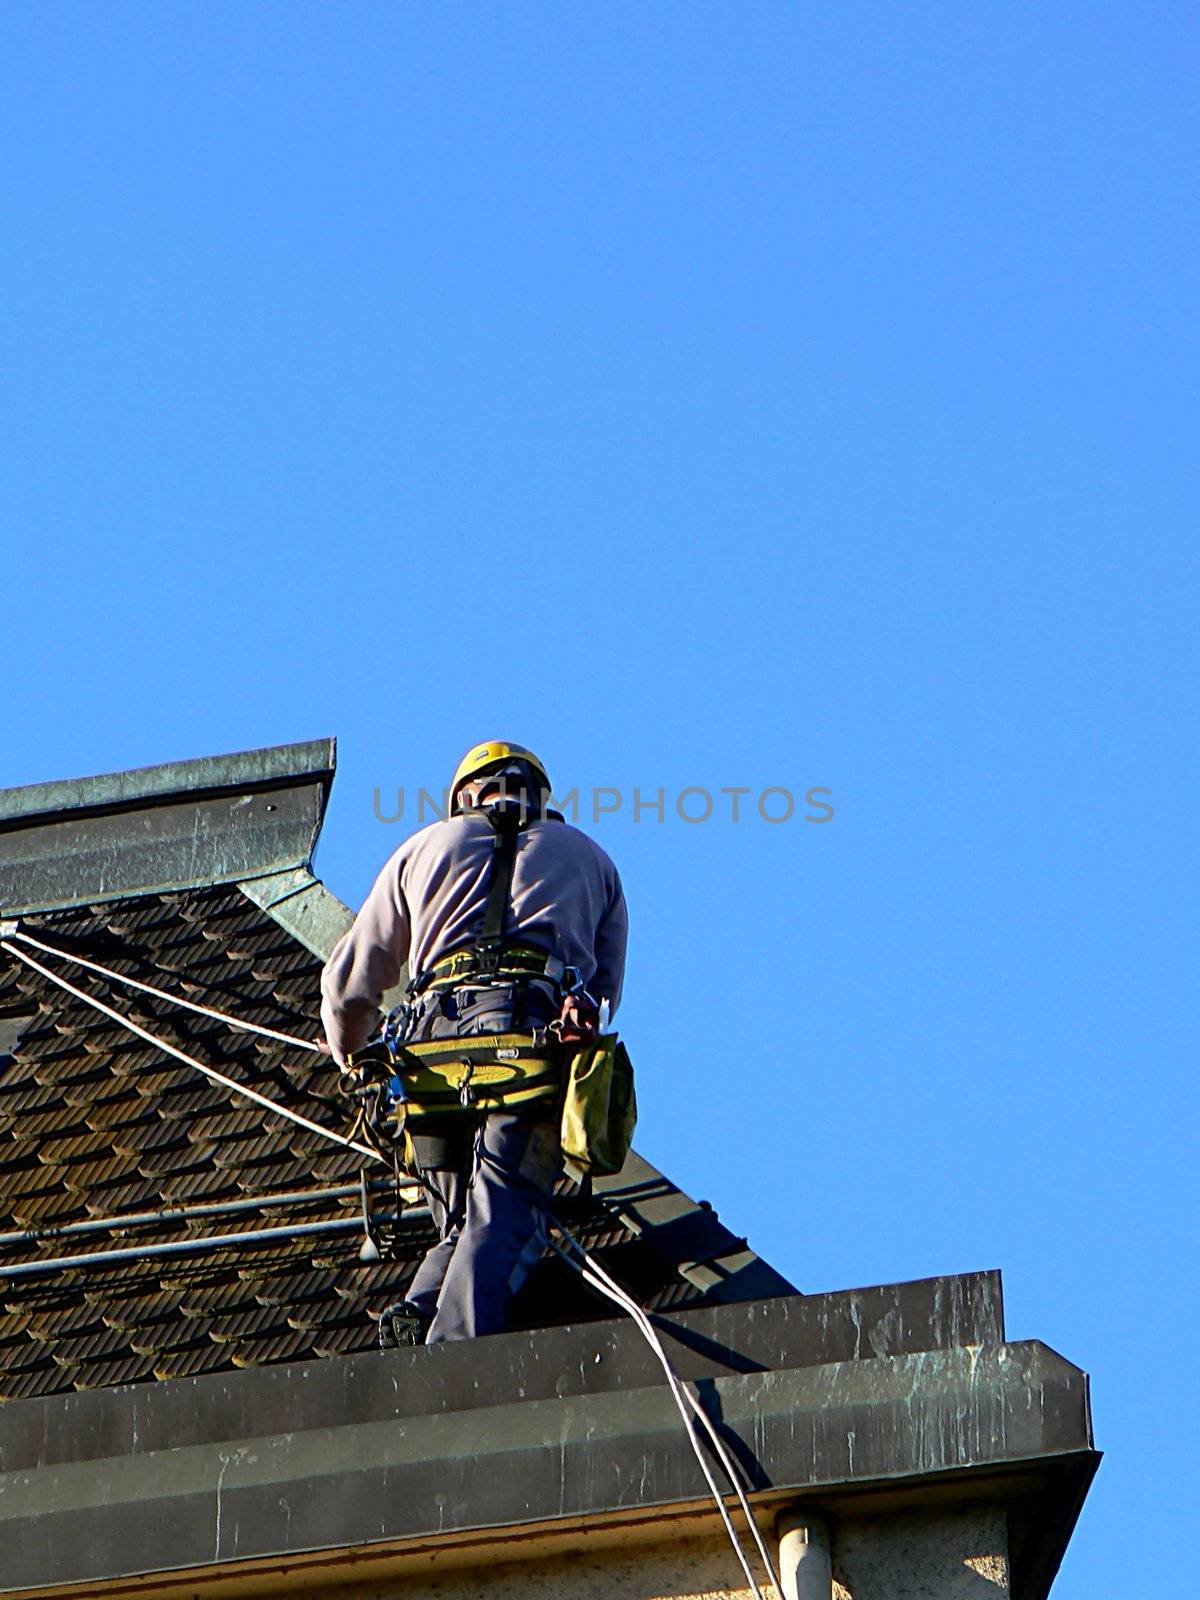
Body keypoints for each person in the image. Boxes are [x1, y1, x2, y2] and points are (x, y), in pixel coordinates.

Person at [319, 741, 628, 1347]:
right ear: (540, 796)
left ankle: (422, 1306)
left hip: (429, 1053)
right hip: (528, 1044)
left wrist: (351, 1051)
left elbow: (352, 979)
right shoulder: (590, 859)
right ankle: (454, 1349)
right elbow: (604, 991)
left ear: (463, 796)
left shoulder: (425, 847)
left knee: (455, 1217)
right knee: (506, 1207)